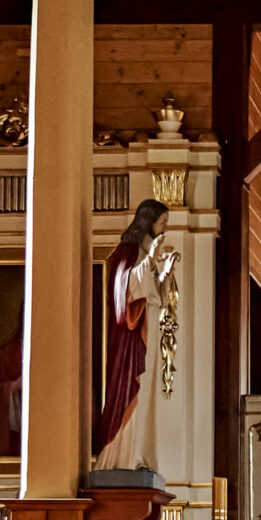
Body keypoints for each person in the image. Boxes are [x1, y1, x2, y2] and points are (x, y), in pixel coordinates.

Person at [91, 200, 168, 472]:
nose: (164, 228)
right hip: (131, 339)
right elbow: (124, 289)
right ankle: (123, 457)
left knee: (146, 395)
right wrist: (150, 261)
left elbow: (157, 296)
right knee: (133, 392)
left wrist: (164, 273)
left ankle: (141, 456)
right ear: (148, 221)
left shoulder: (146, 252)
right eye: (161, 222)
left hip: (148, 335)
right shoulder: (128, 250)